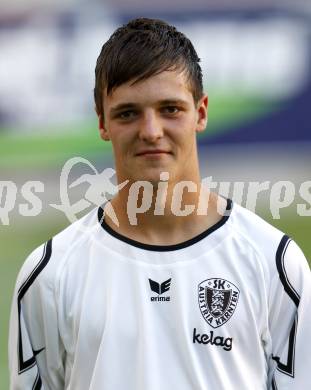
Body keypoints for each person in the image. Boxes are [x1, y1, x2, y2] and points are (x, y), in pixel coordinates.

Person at [9, 17, 311, 390]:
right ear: (102, 122)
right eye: (128, 113)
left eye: (170, 109)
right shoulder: (52, 274)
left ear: (200, 113)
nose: (151, 131)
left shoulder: (274, 264)